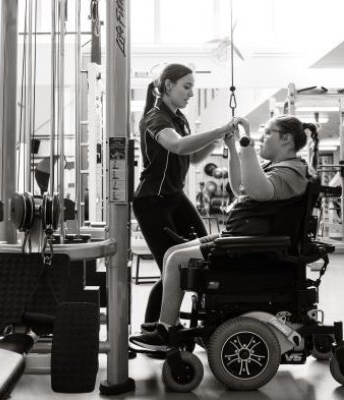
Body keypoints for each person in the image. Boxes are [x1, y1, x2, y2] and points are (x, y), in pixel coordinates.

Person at [131, 114, 314, 351]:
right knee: (172, 254)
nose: (262, 138)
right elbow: (241, 187)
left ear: (287, 139)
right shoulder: (280, 167)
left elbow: (259, 191)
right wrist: (231, 146)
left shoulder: (293, 171)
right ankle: (169, 325)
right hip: (242, 239)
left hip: (252, 247)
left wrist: (245, 140)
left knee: (176, 259)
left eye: (268, 133)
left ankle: (167, 332)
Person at [132, 63, 241, 327]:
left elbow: (191, 157)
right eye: (187, 87)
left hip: (175, 197)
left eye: (193, 88)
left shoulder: (179, 117)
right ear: (168, 85)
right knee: (171, 268)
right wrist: (216, 130)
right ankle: (153, 330)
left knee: (208, 253)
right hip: (152, 202)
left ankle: (203, 321)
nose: (191, 93)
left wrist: (217, 139)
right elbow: (177, 146)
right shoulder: (154, 117)